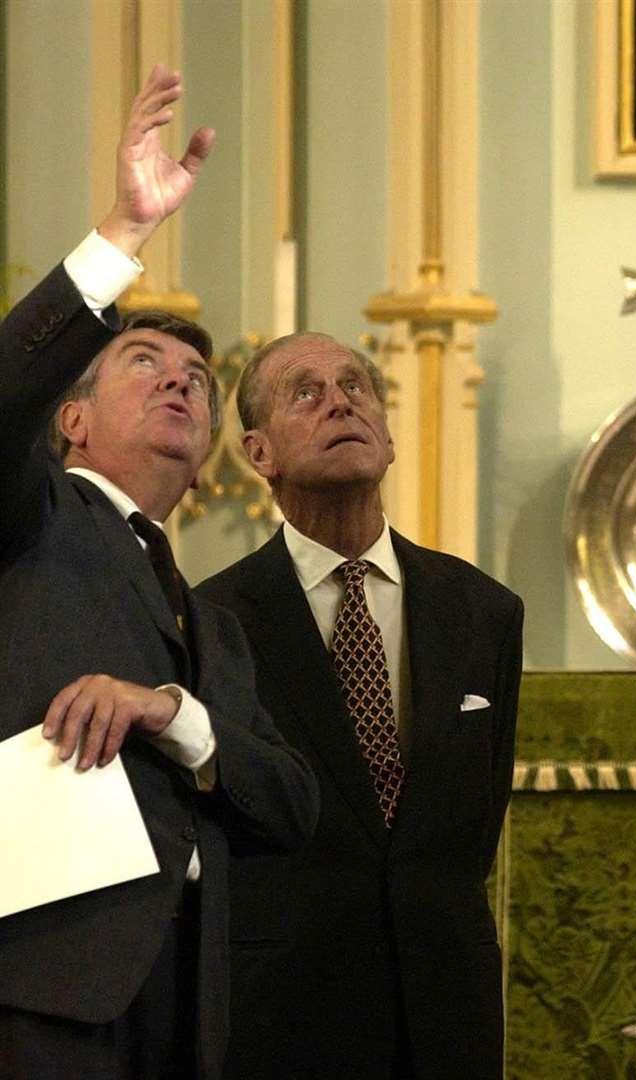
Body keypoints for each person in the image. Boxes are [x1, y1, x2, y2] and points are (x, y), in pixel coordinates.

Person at [0, 65, 321, 1079]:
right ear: (71, 417)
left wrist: (172, 713)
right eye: (144, 365)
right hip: (40, 991)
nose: (182, 383)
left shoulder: (214, 625)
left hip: (191, 1010)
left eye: (196, 381)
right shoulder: (30, 516)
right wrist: (121, 236)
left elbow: (292, 802)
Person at [197, 332, 523, 1079]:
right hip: (280, 1013)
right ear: (258, 452)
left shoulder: (484, 611)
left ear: (388, 435)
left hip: (447, 1009)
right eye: (304, 393)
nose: (339, 401)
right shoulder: (213, 619)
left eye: (355, 386)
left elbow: (478, 822)